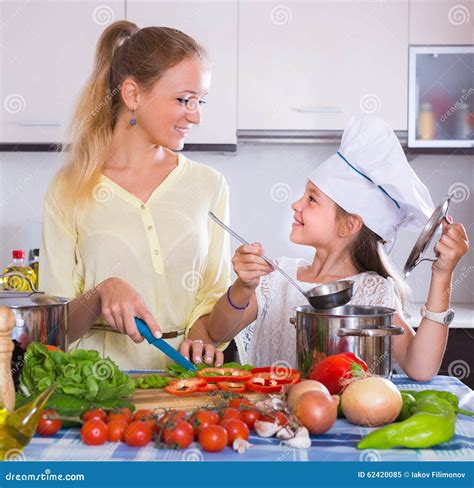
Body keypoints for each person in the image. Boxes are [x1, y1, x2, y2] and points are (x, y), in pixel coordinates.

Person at [203, 114, 469, 381]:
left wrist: (442, 274)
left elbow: (420, 367)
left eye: (312, 199)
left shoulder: (373, 292)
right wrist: (244, 287)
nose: (296, 204)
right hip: (270, 417)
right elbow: (216, 333)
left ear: (349, 225)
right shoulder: (276, 276)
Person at [40, 20, 230, 369]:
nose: (197, 116)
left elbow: (213, 296)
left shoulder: (208, 184)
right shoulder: (70, 188)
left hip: (185, 389)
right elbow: (54, 331)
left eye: (201, 101)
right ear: (132, 95)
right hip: (98, 392)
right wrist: (100, 293)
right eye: (184, 99)